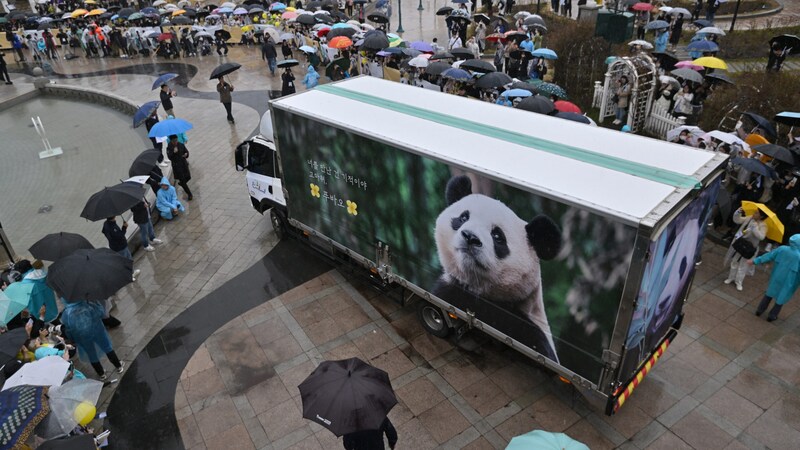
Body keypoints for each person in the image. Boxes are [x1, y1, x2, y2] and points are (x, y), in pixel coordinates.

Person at [60, 300, 124, 380]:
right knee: (107, 347)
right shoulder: (88, 303)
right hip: (98, 331)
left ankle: (101, 374)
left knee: (91, 354)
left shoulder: (66, 313)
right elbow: (101, 313)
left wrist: (72, 339)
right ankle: (118, 366)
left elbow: (68, 330)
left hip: (83, 337)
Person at [748, 234, 800, 321]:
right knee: (781, 298)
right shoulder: (798, 257)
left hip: (776, 276)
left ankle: (760, 310)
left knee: (769, 293)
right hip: (789, 281)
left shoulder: (782, 249)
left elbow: (769, 256)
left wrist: (755, 261)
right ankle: (772, 316)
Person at [724, 207, 767, 291]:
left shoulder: (763, 225)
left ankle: (738, 282)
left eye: (756, 213)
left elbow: (761, 237)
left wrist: (755, 228)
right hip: (741, 243)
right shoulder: (749, 218)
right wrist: (738, 213)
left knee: (743, 265)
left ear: (761, 216)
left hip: (750, 248)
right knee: (734, 261)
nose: (754, 214)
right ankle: (731, 277)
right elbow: (737, 220)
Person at [166, 136, 193, 200]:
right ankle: (189, 194)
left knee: (188, 177)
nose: (176, 142)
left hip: (183, 164)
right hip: (177, 167)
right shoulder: (169, 148)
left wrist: (186, 154)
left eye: (176, 140)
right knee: (182, 180)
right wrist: (173, 152)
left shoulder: (180, 144)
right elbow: (169, 157)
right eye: (174, 141)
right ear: (171, 141)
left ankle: (182, 184)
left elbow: (186, 151)